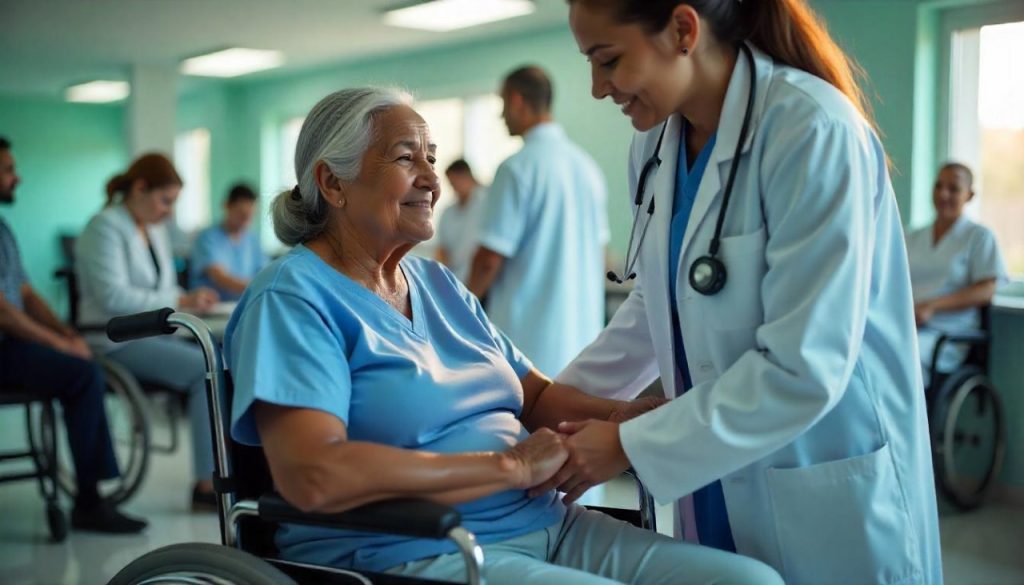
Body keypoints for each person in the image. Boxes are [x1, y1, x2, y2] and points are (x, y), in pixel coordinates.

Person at [224, 87, 781, 585]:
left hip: (549, 523)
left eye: (432, 159)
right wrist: (508, 467)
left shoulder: (437, 283)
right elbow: (313, 474)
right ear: (331, 182)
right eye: (404, 158)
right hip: (415, 550)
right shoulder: (294, 298)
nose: (431, 179)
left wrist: (626, 418)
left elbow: (534, 396)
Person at [541, 1, 943, 584]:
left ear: (683, 30)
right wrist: (552, 408)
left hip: (819, 474)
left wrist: (628, 444)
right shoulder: (654, 148)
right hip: (715, 470)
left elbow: (804, 367)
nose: (598, 88)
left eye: (608, 60)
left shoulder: (811, 128)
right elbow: (658, 302)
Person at [0, 136, 146, 533]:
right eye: (9, 170)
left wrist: (67, 332)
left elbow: (26, 294)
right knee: (82, 375)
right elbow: (3, 312)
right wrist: (59, 344)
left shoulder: (4, 229)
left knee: (79, 364)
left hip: (10, 346)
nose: (18, 178)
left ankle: (90, 493)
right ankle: (88, 501)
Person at [75, 153, 220, 509]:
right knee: (205, 369)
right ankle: (206, 485)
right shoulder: (104, 227)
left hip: (152, 332)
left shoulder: (153, 230)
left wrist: (185, 300)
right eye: (165, 200)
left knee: (226, 351)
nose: (169, 211)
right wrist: (180, 299)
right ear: (139, 188)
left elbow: (165, 289)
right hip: (113, 338)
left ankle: (234, 469)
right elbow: (113, 295)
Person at [467, 66, 609, 377]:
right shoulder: (587, 168)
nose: (502, 116)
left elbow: (489, 259)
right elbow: (602, 254)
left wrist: (458, 309)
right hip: (583, 342)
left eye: (503, 105)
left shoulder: (517, 168)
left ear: (517, 101)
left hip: (528, 345)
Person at [906, 162, 1007, 383]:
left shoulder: (978, 237)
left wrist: (931, 306)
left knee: (903, 356)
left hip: (947, 336)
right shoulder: (913, 237)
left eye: (953, 189)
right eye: (939, 186)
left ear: (969, 195)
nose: (943, 194)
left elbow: (986, 290)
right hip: (908, 326)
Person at [189, 183, 268, 301]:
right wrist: (258, 287)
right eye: (242, 214)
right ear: (226, 205)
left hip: (242, 305)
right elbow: (219, 277)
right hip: (211, 309)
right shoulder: (207, 238)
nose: (246, 220)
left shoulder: (252, 239)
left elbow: (264, 273)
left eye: (250, 215)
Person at [436, 159, 486, 282]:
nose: (454, 188)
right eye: (451, 184)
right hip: (455, 280)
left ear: (467, 176)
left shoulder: (488, 202)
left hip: (482, 282)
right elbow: (441, 250)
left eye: (455, 182)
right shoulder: (448, 212)